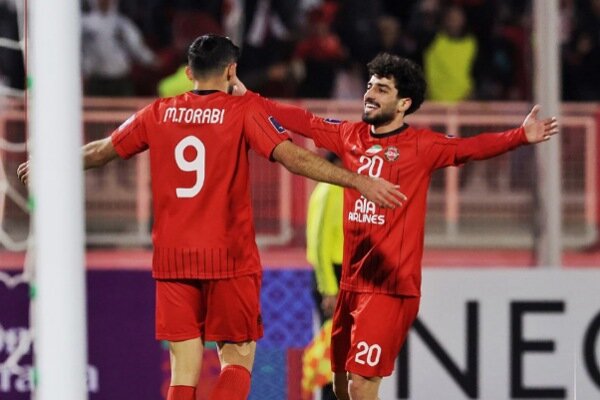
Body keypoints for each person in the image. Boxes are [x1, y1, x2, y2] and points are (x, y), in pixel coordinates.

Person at [17, 35, 405, 400]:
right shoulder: (243, 111)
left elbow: (103, 150)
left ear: (189, 72)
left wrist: (52, 162)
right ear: (231, 70)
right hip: (229, 256)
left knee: (183, 370)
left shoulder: (158, 112)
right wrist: (356, 180)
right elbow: (292, 158)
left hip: (173, 258)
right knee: (237, 357)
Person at [236, 52, 559, 400]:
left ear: (404, 103)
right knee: (340, 384)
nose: (370, 94)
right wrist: (249, 97)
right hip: (351, 284)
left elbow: (470, 147)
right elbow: (304, 121)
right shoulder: (350, 136)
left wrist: (520, 136)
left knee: (362, 384)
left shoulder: (422, 146)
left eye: (382, 89)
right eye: (370, 85)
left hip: (389, 288)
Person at [305, 152, 344, 400]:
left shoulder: (341, 189)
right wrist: (328, 288)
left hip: (341, 275)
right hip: (332, 276)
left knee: (343, 349)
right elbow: (318, 243)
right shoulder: (329, 189)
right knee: (333, 349)